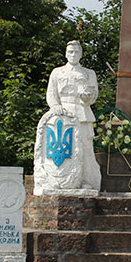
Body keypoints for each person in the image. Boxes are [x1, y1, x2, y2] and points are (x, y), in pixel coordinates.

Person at [37, 40, 100, 192]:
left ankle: (85, 181)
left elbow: (94, 95)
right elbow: (51, 93)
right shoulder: (57, 72)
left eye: (77, 52)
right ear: (66, 54)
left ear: (81, 54)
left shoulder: (88, 73)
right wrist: (55, 106)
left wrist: (86, 97)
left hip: (82, 113)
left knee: (85, 149)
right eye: (71, 52)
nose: (73, 55)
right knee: (64, 149)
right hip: (62, 114)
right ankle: (58, 179)